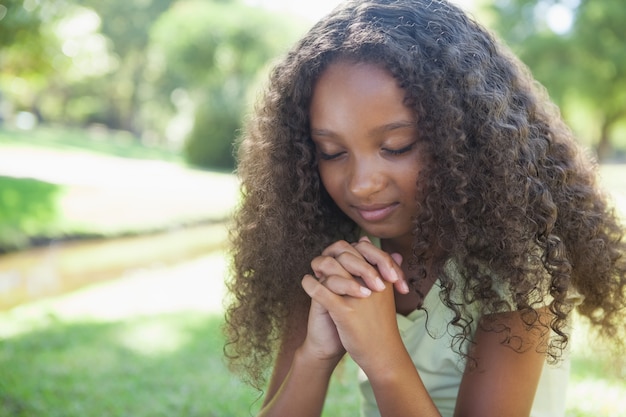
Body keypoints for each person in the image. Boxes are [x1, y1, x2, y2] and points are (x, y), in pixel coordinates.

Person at [223, 0, 626, 415]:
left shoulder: (517, 263)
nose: (362, 185)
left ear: (464, 137)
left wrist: (382, 356)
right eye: (331, 152)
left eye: (397, 147)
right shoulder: (332, 249)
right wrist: (316, 354)